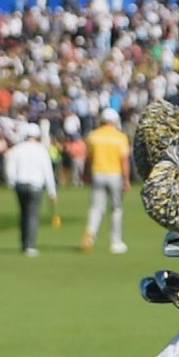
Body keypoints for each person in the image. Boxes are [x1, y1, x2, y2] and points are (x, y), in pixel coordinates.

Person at [79, 107, 131, 254]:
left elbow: (88, 158)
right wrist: (126, 179)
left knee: (96, 207)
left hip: (97, 173)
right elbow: (124, 161)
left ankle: (90, 233)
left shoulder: (93, 136)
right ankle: (116, 241)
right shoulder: (120, 137)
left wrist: (85, 174)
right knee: (116, 208)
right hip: (114, 174)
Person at [4, 121, 55, 256]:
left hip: (20, 185)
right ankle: (29, 246)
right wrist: (52, 192)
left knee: (23, 214)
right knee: (32, 215)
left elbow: (10, 170)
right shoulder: (41, 149)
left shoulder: (17, 149)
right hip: (36, 186)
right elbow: (48, 172)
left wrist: (12, 183)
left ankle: (24, 243)